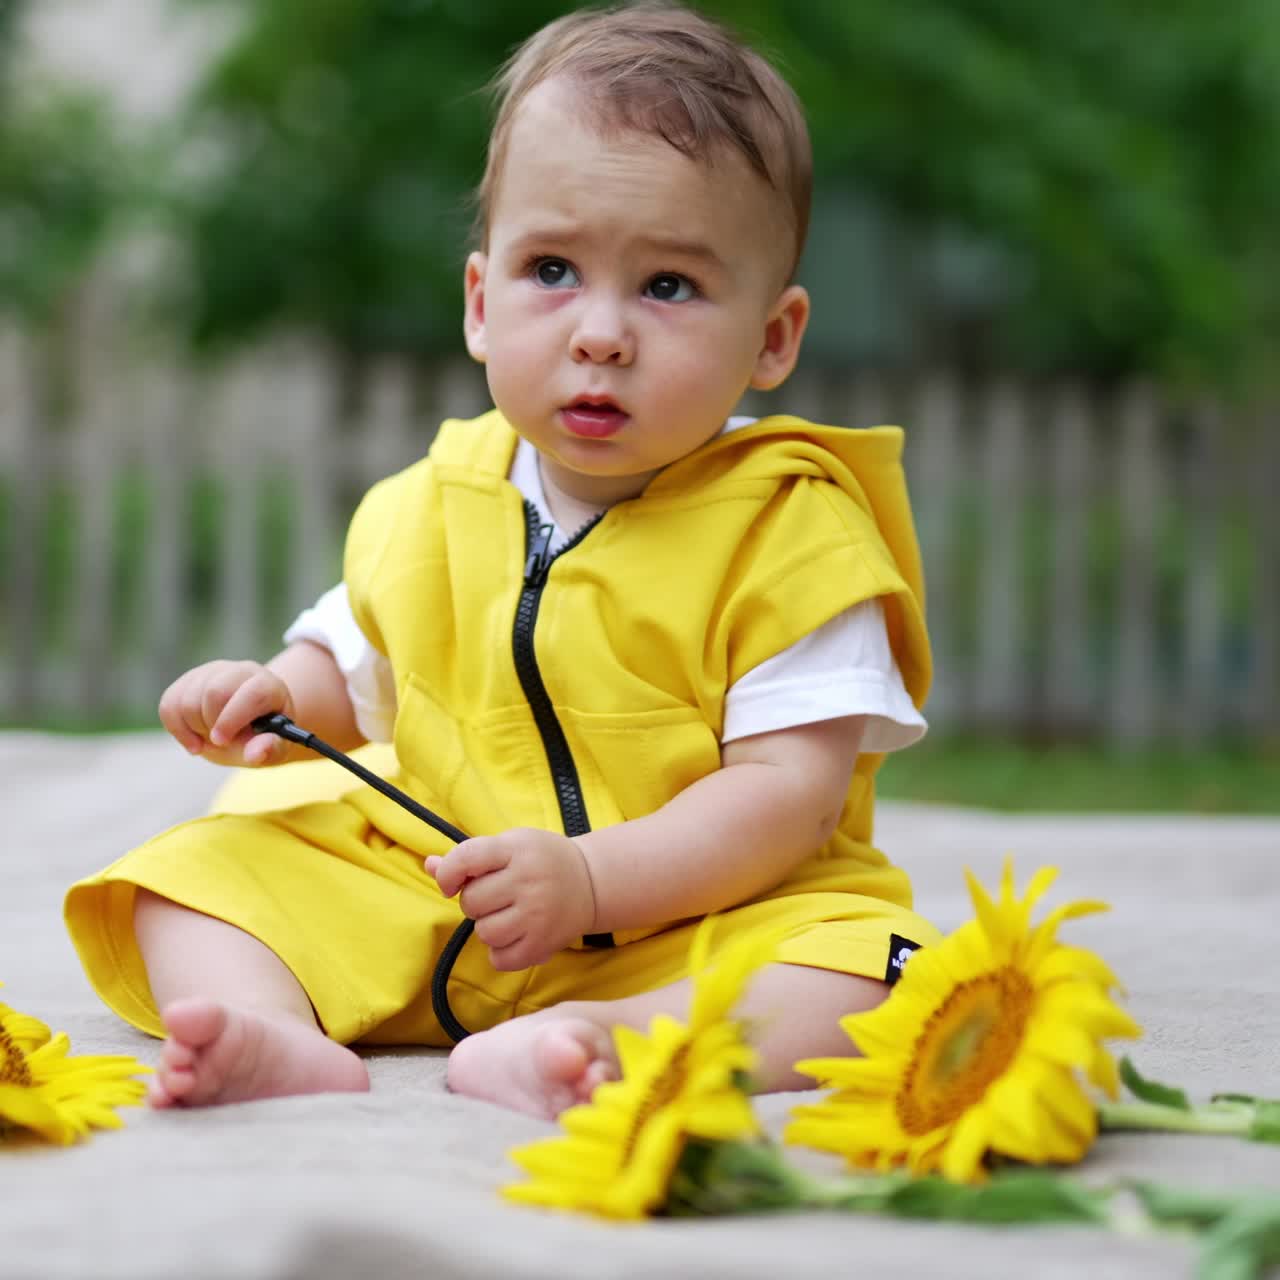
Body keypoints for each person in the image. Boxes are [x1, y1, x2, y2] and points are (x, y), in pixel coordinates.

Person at [65, 1, 940, 1121]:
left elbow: (786, 798)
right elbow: (361, 661)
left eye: (667, 286)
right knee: (188, 877)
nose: (600, 332)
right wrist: (274, 694)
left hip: (685, 921)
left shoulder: (794, 535)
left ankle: (608, 1041)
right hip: (439, 890)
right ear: (481, 303)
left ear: (771, 338)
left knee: (880, 972)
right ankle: (273, 1031)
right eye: (553, 270)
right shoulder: (434, 500)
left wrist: (588, 883)